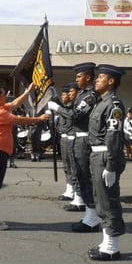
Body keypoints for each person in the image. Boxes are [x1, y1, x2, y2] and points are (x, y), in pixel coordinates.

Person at [0, 83, 49, 230]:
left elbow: (14, 103)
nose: (7, 97)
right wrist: (39, 119)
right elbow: (19, 120)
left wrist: (28, 92)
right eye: (4, 94)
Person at [48, 62, 101, 232]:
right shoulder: (82, 95)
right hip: (78, 140)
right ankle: (89, 214)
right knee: (79, 175)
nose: (76, 79)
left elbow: (75, 116)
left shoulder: (90, 96)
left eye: (79, 76)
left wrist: (57, 108)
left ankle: (92, 216)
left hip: (85, 140)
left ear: (87, 77)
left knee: (85, 177)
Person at [87, 64, 126, 261]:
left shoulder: (114, 105)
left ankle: (112, 248)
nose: (96, 80)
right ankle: (106, 241)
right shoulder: (101, 102)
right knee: (100, 199)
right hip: (97, 156)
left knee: (108, 201)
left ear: (110, 81)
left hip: (105, 157)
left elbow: (113, 137)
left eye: (100, 77)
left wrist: (111, 166)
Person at [55, 83, 76, 202]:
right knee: (66, 166)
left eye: (65, 95)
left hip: (71, 138)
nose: (63, 97)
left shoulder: (72, 108)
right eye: (62, 95)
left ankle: (76, 191)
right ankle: (69, 188)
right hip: (63, 139)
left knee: (73, 166)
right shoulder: (63, 108)